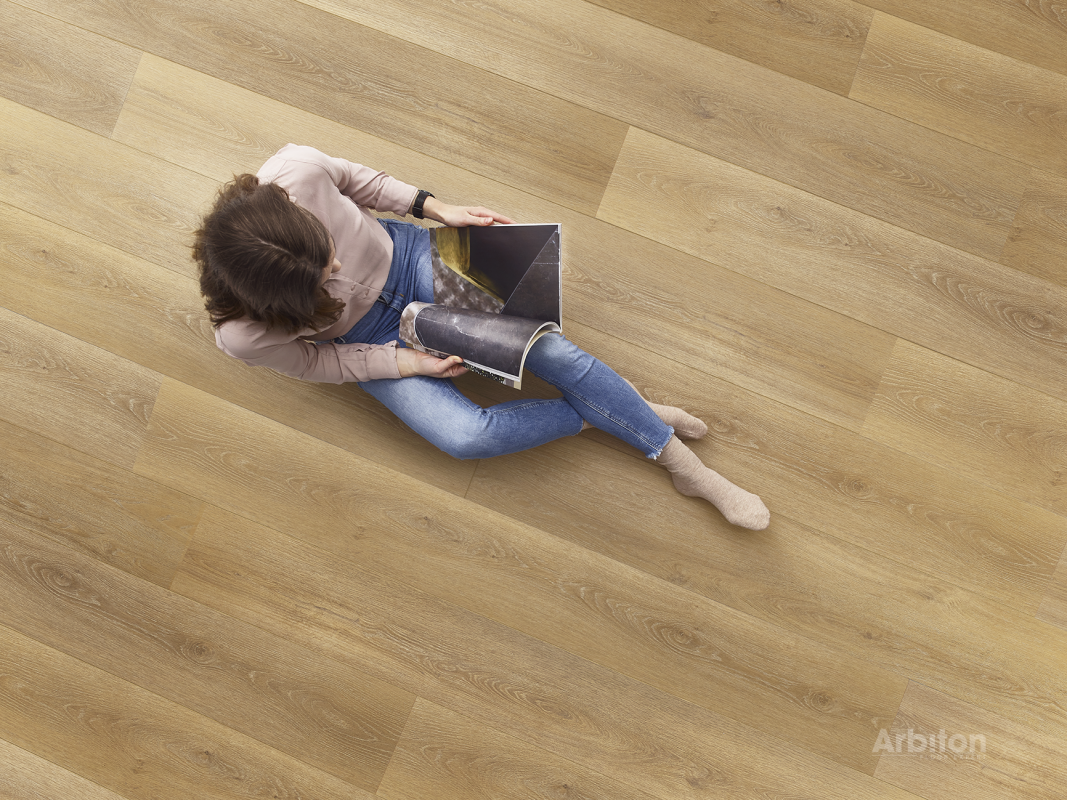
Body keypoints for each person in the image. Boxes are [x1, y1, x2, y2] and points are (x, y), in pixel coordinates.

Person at [193, 144, 770, 530]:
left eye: (329, 253)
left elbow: (359, 182)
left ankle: (684, 467)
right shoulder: (242, 335)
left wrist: (436, 209)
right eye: (324, 280)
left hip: (410, 259)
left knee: (550, 350)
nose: (338, 268)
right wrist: (405, 364)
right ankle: (608, 412)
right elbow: (321, 364)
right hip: (371, 340)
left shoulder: (296, 171)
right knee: (466, 435)